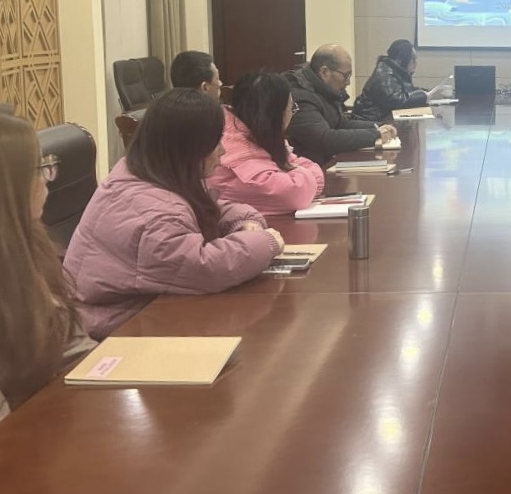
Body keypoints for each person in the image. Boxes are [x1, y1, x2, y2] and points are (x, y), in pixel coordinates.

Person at [64, 89, 284, 339]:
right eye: (216, 142)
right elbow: (205, 269)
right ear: (190, 147)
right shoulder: (156, 215)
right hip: (119, 330)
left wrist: (243, 221)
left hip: (147, 310)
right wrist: (266, 243)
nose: (223, 151)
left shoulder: (147, 171)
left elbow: (206, 207)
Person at [0, 106, 95, 457]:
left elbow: (70, 350)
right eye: (38, 168)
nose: (48, 178)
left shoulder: (22, 241)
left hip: (42, 436)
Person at [207, 71, 325, 215]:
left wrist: (300, 174)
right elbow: (297, 192)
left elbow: (302, 167)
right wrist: (302, 175)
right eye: (292, 108)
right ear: (277, 115)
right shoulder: (231, 146)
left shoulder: (251, 132)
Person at [284, 44, 397, 164]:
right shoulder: (300, 96)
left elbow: (342, 123)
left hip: (327, 162)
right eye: (346, 75)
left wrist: (378, 126)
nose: (348, 82)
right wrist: (375, 134)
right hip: (311, 168)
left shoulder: (325, 90)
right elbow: (324, 140)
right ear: (324, 72)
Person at [353, 40, 447, 122]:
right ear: (403, 59)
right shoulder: (385, 73)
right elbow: (397, 101)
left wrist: (425, 92)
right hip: (370, 123)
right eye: (413, 59)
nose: (416, 63)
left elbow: (407, 91)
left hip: (383, 119)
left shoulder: (395, 70)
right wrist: (423, 96)